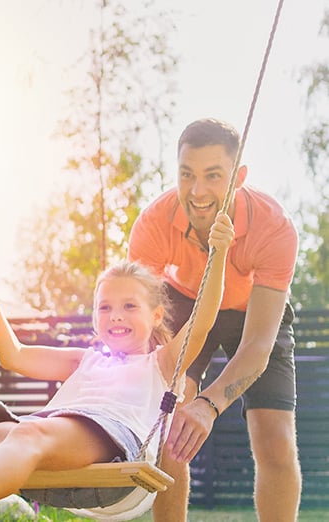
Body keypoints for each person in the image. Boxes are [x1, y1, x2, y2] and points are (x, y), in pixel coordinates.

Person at [0, 212, 234, 522]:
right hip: (58, 429)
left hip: (116, 445)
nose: (116, 316)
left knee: (30, 433)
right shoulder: (85, 360)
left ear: (156, 315)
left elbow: (202, 319)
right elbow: (13, 354)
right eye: (105, 307)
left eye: (130, 306)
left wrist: (217, 257)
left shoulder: (161, 363)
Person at [127, 117, 302, 522]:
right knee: (171, 429)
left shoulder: (274, 228)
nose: (197, 191)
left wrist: (209, 404)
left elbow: (258, 345)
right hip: (186, 303)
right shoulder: (153, 224)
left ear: (238, 177)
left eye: (213, 176)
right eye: (187, 175)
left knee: (276, 441)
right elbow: (139, 315)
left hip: (252, 311)